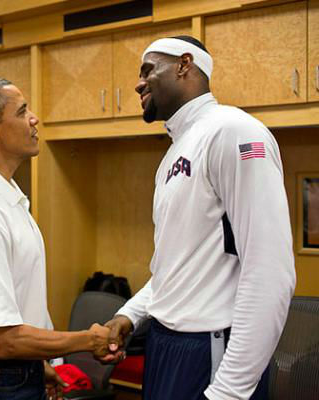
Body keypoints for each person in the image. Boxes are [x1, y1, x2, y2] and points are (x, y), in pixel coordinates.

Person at [101, 36, 296, 400]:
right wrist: (129, 315)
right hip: (166, 345)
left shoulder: (233, 131)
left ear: (184, 64)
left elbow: (271, 270)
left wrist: (229, 390)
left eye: (148, 70)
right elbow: (175, 268)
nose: (138, 83)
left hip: (210, 351)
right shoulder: (177, 151)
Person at [0, 78, 112, 400]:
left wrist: (38, 364)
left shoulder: (4, 197)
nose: (34, 118)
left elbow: (19, 303)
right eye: (22, 112)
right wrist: (88, 340)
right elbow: (5, 339)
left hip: (11, 369)